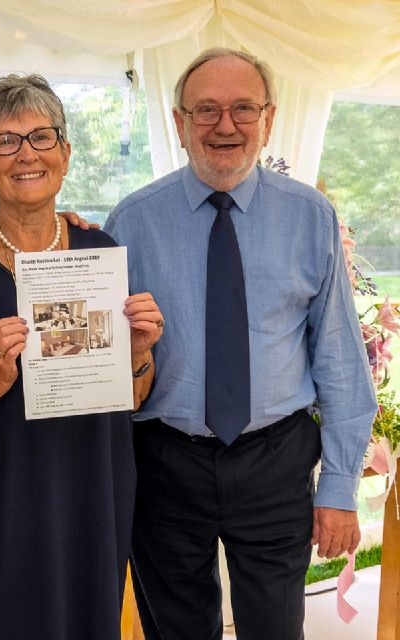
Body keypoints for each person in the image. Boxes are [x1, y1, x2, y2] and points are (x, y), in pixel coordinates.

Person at [104, 48, 377, 640]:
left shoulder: (310, 217)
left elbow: (340, 364)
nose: (225, 126)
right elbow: (106, 358)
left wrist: (339, 489)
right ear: (178, 123)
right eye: (206, 110)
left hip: (275, 461)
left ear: (268, 119)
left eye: (242, 109)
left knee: (277, 629)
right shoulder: (130, 224)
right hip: (164, 462)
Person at [0, 74, 163, 640]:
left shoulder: (101, 252)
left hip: (94, 487)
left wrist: (138, 352)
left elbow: (134, 393)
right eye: (6, 141)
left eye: (42, 137)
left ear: (65, 153)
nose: (26, 154)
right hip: (0, 497)